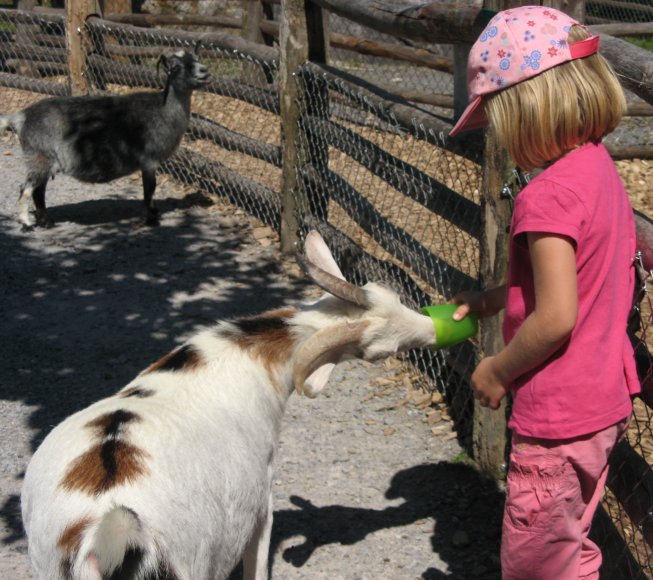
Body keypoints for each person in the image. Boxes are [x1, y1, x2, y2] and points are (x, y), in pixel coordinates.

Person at [449, 5, 641, 579]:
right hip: (602, 402)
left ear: (533, 107)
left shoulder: (548, 195)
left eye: (502, 121)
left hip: (556, 420)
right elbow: (577, 277)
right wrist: (495, 299)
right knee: (568, 542)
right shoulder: (597, 168)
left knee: (537, 562)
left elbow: (556, 315)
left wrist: (498, 370)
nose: (503, 139)